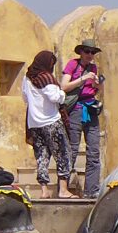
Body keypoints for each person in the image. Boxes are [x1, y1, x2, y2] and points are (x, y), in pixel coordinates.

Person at [21, 50, 75, 199]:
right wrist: (62, 94)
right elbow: (55, 97)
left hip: (34, 123)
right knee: (63, 154)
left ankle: (44, 191)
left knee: (42, 157)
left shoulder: (27, 78)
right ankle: (63, 190)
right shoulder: (46, 77)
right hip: (51, 121)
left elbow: (25, 98)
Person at [61, 40, 103, 198]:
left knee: (93, 151)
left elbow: (95, 91)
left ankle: (91, 190)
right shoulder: (73, 64)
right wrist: (83, 78)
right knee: (72, 149)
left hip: (90, 109)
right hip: (76, 110)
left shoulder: (93, 67)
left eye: (93, 52)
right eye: (87, 51)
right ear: (81, 52)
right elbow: (64, 86)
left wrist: (99, 85)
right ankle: (63, 188)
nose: (90, 55)